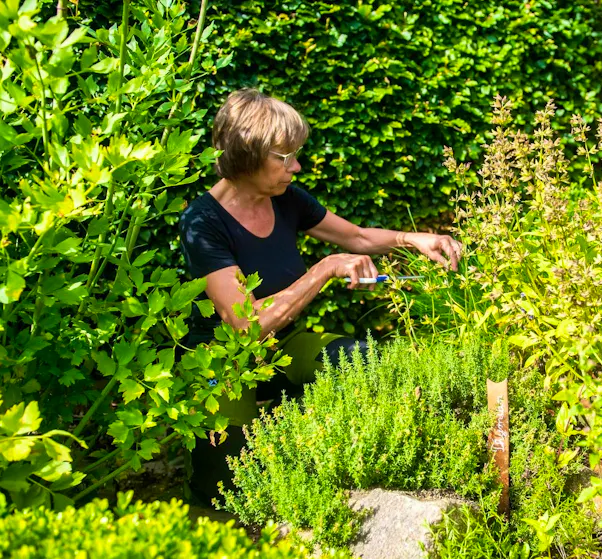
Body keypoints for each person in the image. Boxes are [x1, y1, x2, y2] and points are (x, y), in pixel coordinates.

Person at [179, 89, 462, 502]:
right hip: (223, 361)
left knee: (364, 361)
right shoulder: (202, 223)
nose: (296, 166)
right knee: (221, 489)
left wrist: (413, 238)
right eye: (284, 157)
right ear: (247, 153)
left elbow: (358, 236)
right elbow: (244, 325)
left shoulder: (285, 197)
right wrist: (325, 268)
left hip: (285, 347)